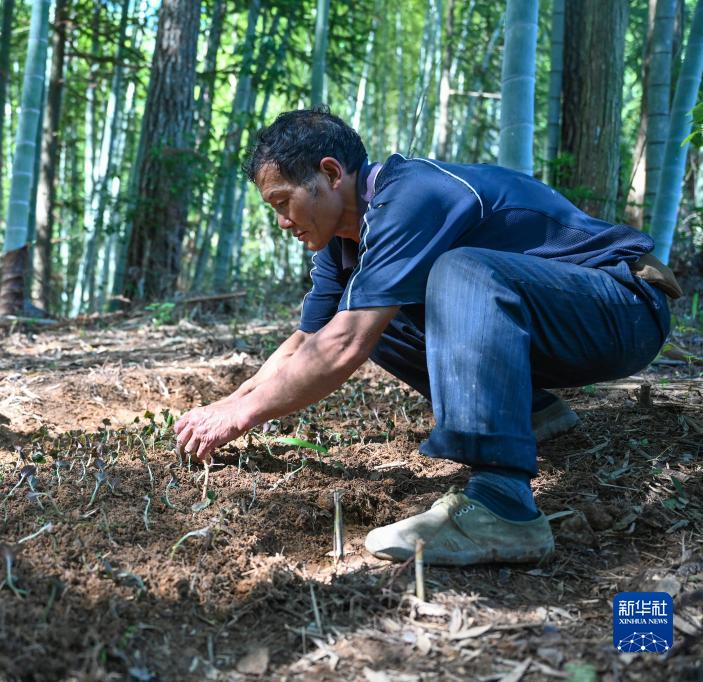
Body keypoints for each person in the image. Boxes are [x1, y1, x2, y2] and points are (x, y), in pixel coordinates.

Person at [173, 108, 681, 567]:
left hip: (623, 305)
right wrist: (228, 405)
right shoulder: (341, 248)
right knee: (372, 307)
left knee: (457, 273)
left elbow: (345, 346)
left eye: (284, 202)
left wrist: (245, 415)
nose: (282, 222)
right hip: (556, 323)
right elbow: (308, 341)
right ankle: (530, 412)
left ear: (330, 174)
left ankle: (502, 504)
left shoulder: (413, 194)